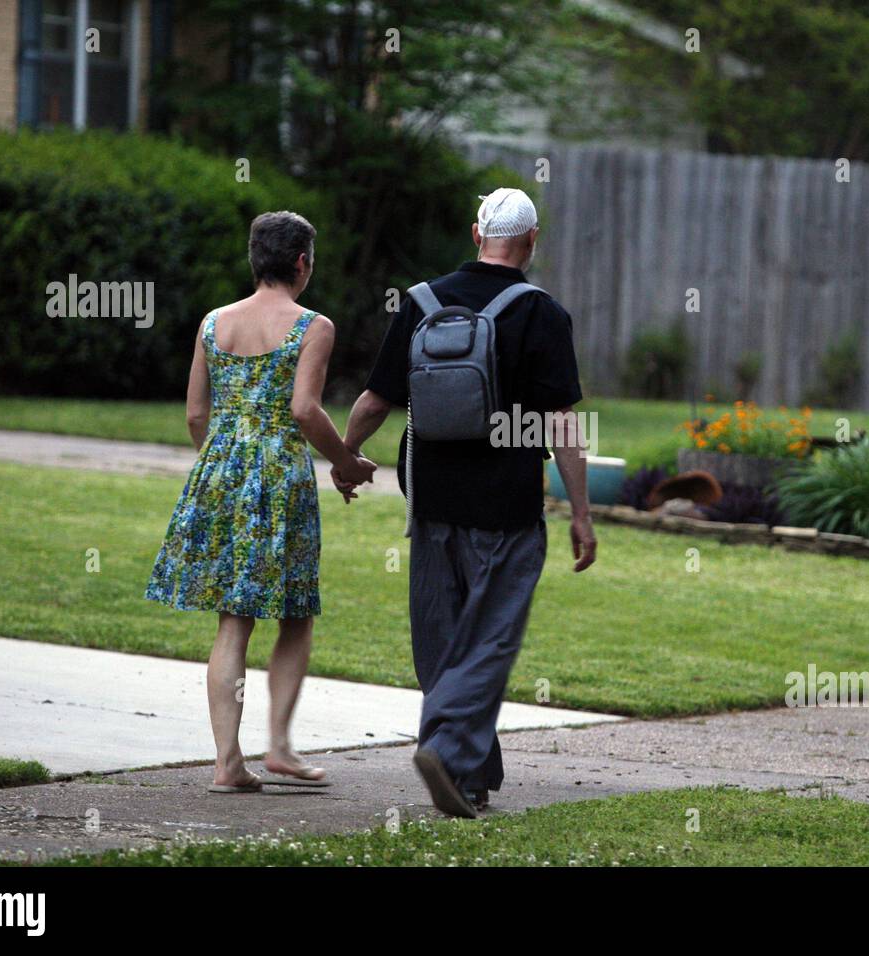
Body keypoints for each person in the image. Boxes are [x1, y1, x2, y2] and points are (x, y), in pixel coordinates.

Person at [336, 188, 597, 818]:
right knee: (490, 640)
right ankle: (448, 751)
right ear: (532, 243)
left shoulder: (421, 301)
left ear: (476, 232)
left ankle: (466, 770)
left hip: (427, 498)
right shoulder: (542, 313)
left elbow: (375, 400)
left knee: (442, 637)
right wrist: (582, 515)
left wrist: (347, 457)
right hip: (506, 508)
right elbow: (561, 425)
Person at [144, 210, 376, 793]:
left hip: (219, 470)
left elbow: (196, 414)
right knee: (294, 612)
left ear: (256, 259)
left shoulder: (213, 323)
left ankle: (227, 762)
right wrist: (346, 463)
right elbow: (303, 409)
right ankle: (279, 748)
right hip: (279, 475)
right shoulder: (313, 326)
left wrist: (223, 460)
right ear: (302, 263)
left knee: (233, 618)